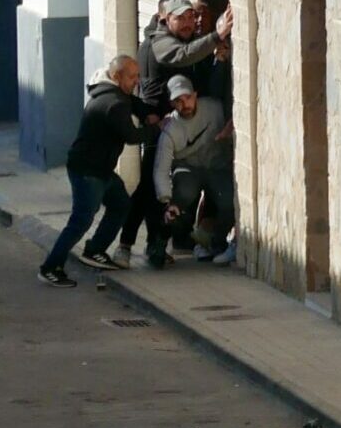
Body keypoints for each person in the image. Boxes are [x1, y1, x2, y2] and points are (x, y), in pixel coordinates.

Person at [40, 55, 154, 286]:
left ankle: (95, 250)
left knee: (121, 203)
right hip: (88, 171)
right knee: (81, 220)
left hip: (100, 169)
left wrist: (149, 112)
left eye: (137, 75)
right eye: (132, 77)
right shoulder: (114, 103)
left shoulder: (114, 95)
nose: (136, 81)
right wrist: (155, 128)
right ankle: (50, 267)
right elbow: (131, 136)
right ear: (116, 76)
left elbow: (136, 104)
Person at [150, 72, 237, 266]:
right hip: (188, 167)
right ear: (172, 104)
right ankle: (161, 242)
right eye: (178, 101)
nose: (185, 104)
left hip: (217, 166)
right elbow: (161, 168)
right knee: (182, 194)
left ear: (195, 95)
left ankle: (216, 242)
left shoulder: (215, 108)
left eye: (187, 97)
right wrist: (166, 199)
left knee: (229, 203)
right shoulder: (171, 128)